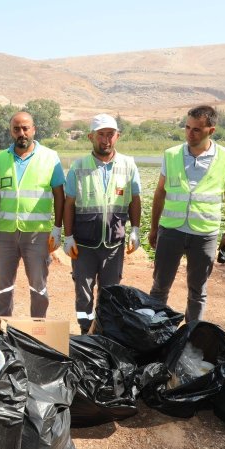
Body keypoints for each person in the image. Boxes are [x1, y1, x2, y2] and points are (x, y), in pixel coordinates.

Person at [149, 105, 225, 322]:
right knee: (159, 287)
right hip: (171, 230)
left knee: (198, 292)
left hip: (204, 234)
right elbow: (160, 193)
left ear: (211, 130)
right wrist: (154, 228)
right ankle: (152, 334)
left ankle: (190, 339)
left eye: (197, 129)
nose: (190, 133)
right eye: (187, 127)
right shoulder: (171, 155)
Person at [63, 114, 142, 334]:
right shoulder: (78, 167)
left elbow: (135, 200)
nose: (105, 140)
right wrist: (67, 236)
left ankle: (105, 333)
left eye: (110, 134)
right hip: (84, 245)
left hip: (114, 245)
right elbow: (68, 204)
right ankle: (85, 330)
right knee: (84, 291)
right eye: (101, 135)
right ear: (91, 137)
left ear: (118, 136)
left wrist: (135, 229)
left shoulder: (128, 165)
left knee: (110, 292)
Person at [0, 111, 65, 318]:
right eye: (16, 129)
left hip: (37, 234)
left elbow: (60, 195)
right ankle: (2, 327)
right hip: (5, 233)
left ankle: (37, 327)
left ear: (34, 130)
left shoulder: (50, 157)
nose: (21, 133)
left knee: (38, 284)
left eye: (25, 128)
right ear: (11, 131)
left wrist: (58, 229)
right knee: (3, 285)